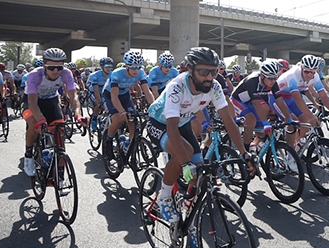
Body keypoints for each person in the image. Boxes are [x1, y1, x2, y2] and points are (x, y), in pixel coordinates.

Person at [145, 47, 254, 231]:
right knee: (184, 155)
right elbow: (171, 127)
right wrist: (185, 162)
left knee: (200, 173)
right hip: (161, 123)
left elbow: (229, 121)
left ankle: (189, 217)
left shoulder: (215, 87)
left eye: (213, 71)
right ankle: (164, 197)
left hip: (183, 122)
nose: (209, 77)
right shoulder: (176, 87)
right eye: (203, 72)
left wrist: (244, 153)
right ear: (190, 70)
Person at [22, 48, 82, 183]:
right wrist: (41, 120)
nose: (56, 71)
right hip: (31, 101)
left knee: (60, 133)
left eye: (59, 67)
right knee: (34, 124)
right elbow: (32, 102)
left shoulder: (66, 74)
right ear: (44, 65)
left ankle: (60, 176)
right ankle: (28, 156)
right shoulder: (34, 75)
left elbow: (73, 97)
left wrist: (78, 115)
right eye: (51, 67)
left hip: (51, 100)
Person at [230, 60, 291, 154]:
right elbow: (257, 104)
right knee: (251, 120)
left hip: (250, 101)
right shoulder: (252, 81)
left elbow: (280, 101)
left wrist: (288, 118)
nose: (273, 81)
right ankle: (245, 152)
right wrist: (265, 122)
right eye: (270, 78)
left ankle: (256, 143)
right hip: (237, 100)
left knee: (271, 116)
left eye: (275, 78)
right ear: (262, 75)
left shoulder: (273, 82)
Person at [102, 50, 155, 159]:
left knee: (132, 119)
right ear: (126, 66)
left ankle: (128, 143)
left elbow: (147, 91)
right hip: (110, 95)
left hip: (125, 95)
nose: (136, 70)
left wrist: (155, 107)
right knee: (118, 119)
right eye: (133, 67)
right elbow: (114, 97)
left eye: (139, 67)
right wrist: (122, 112)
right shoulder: (117, 73)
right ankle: (108, 140)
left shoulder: (141, 73)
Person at [86, 57, 114, 127]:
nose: (109, 68)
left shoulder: (113, 74)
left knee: (110, 107)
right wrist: (99, 100)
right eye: (107, 66)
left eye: (110, 66)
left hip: (105, 92)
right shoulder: (94, 75)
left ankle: (106, 120)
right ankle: (94, 118)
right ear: (102, 66)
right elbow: (95, 89)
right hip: (94, 92)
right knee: (99, 104)